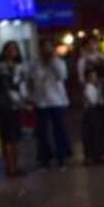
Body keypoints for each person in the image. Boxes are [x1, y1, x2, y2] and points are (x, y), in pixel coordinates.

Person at [0, 38, 28, 178]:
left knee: (16, 136)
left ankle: (16, 165)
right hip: (3, 106)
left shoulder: (20, 67)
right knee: (7, 138)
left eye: (14, 49)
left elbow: (23, 85)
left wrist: (25, 100)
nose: (12, 52)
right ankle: (10, 167)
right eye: (9, 49)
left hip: (16, 105)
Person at [31, 38, 72, 168]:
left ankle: (61, 157)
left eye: (48, 47)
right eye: (43, 48)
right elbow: (33, 80)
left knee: (59, 130)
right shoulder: (36, 64)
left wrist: (53, 61)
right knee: (43, 132)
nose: (45, 50)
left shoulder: (58, 62)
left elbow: (63, 76)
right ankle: (45, 159)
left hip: (57, 101)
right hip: (41, 102)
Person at [80, 57, 104, 165]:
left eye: (94, 76)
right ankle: (93, 155)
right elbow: (93, 101)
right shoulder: (88, 87)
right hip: (91, 114)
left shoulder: (96, 86)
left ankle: (98, 154)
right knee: (92, 135)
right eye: (91, 77)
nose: (94, 78)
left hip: (96, 113)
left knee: (98, 134)